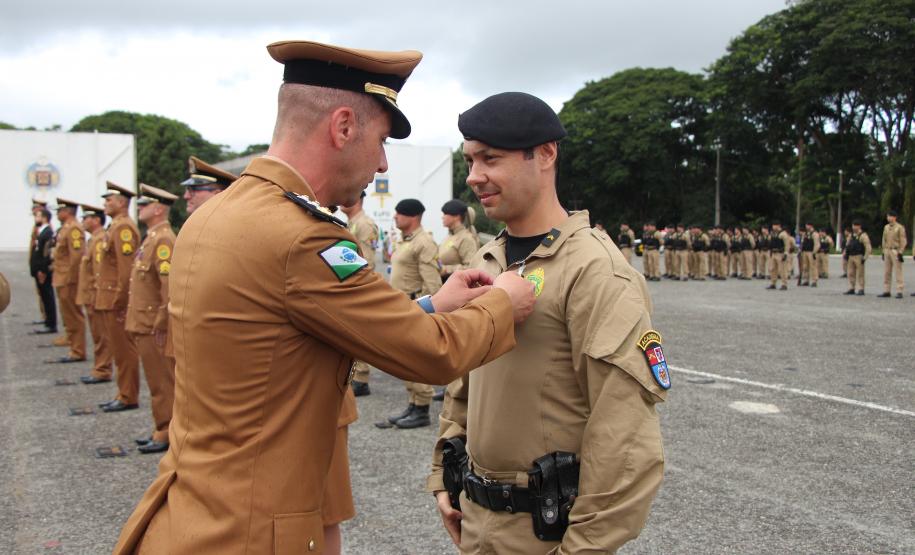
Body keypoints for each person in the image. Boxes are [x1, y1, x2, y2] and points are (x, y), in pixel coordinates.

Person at [113, 39, 535, 555]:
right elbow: (431, 354)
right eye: (381, 141)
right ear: (342, 127)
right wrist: (503, 302)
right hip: (251, 530)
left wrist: (430, 304)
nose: (381, 164)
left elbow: (286, 335)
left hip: (194, 510)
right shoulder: (302, 236)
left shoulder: (216, 215)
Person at [429, 91, 665, 554]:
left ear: (545, 154)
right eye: (470, 160)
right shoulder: (487, 259)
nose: (475, 176)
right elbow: (465, 384)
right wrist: (444, 475)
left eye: (490, 158)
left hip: (544, 535)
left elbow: (626, 437)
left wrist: (583, 547)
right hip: (475, 522)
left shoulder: (594, 270)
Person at [376, 198, 444, 429]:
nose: (394, 217)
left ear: (412, 216)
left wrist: (427, 312)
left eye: (399, 213)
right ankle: (413, 404)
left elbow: (432, 283)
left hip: (415, 308)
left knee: (415, 359)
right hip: (400, 307)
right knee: (404, 359)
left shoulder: (424, 242)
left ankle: (422, 408)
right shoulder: (405, 240)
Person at [126, 185, 178, 454]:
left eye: (144, 204)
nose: (139, 207)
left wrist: (161, 320)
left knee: (162, 382)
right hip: (143, 321)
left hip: (152, 325)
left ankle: (166, 431)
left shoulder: (163, 240)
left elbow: (167, 286)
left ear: (158, 209)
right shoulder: (151, 238)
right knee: (155, 379)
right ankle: (161, 426)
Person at [95, 182, 141, 413]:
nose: (105, 203)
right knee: (117, 349)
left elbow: (126, 270)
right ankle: (122, 392)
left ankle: (128, 395)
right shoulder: (115, 227)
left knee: (124, 350)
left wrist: (122, 302)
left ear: (121, 203)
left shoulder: (124, 228)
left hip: (116, 299)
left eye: (109, 200)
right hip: (108, 298)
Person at [340, 191, 379, 396]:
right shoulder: (350, 223)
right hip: (348, 284)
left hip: (358, 285)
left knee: (359, 332)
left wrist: (360, 286)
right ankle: (356, 375)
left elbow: (367, 260)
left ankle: (362, 378)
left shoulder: (364, 224)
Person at [77, 204, 114, 385]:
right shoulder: (93, 239)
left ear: (96, 220)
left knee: (102, 336)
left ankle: (102, 369)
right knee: (97, 335)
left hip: (95, 296)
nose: (83, 221)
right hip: (91, 295)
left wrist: (98, 297)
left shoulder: (99, 240)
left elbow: (100, 272)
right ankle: (99, 367)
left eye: (86, 218)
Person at [50, 198, 88, 363]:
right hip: (61, 277)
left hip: (68, 279)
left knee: (74, 315)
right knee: (68, 314)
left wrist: (72, 280)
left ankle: (78, 350)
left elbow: (76, 256)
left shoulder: (74, 229)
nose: (58, 214)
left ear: (68, 211)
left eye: (60, 210)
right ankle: (73, 344)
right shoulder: (66, 227)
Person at [29, 207, 57, 335]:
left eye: (38, 216)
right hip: (39, 271)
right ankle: (47, 321)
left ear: (44, 217)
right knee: (45, 297)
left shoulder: (48, 232)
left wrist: (43, 270)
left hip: (43, 272)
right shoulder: (42, 231)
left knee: (48, 296)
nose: (36, 218)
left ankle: (51, 324)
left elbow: (46, 254)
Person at [439, 199, 480, 280]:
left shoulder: (466, 238)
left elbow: (471, 267)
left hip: (456, 285)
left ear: (456, 216)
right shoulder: (449, 236)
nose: (442, 217)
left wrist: (447, 269)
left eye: (445, 214)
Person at [29, 199, 49, 324]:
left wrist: (43, 268)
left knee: (46, 294)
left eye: (36, 209)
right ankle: (45, 316)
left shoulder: (46, 228)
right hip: (37, 265)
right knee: (41, 294)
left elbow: (45, 251)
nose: (33, 211)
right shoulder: (37, 226)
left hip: (42, 267)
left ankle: (48, 317)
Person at [879, 210, 907, 298]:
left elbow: (903, 241)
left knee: (898, 271)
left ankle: (899, 290)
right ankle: (887, 290)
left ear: (895, 217)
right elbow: (884, 239)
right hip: (887, 250)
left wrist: (901, 252)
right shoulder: (886, 227)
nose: (888, 218)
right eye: (888, 216)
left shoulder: (900, 227)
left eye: (890, 216)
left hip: (895, 250)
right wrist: (883, 251)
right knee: (887, 272)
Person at [843, 220, 871, 296]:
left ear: (859, 226)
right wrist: (845, 254)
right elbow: (847, 245)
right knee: (850, 273)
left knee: (860, 273)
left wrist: (865, 258)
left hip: (859, 256)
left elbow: (868, 247)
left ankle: (861, 289)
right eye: (853, 225)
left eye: (856, 225)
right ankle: (852, 288)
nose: (854, 227)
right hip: (851, 256)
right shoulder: (851, 235)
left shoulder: (863, 235)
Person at [767, 221, 791, 290]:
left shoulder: (783, 234)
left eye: (775, 225)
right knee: (772, 269)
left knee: (782, 269)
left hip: (780, 253)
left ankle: (784, 284)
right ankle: (773, 283)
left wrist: (786, 253)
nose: (773, 227)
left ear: (778, 226)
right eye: (773, 225)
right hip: (773, 253)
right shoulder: (773, 234)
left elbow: (787, 245)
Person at [799, 222, 820, 287]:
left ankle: (814, 281)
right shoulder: (805, 234)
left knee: (813, 267)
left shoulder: (815, 234)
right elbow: (802, 242)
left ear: (811, 226)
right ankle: (806, 280)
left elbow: (817, 244)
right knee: (805, 267)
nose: (806, 227)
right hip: (805, 252)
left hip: (811, 252)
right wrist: (801, 249)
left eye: (807, 226)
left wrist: (814, 252)